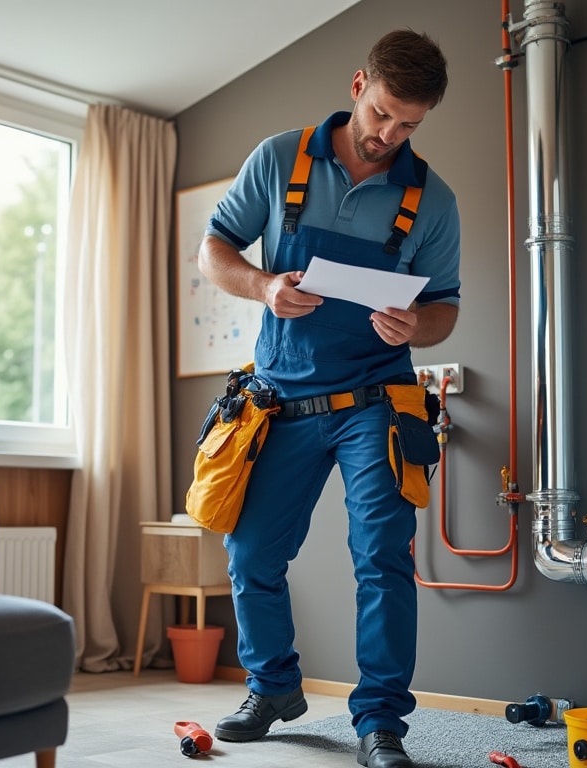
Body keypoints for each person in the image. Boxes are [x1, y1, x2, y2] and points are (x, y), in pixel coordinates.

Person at [196, 28, 460, 768]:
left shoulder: (430, 200)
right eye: (381, 113)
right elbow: (213, 248)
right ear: (357, 86)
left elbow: (446, 310)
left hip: (378, 402)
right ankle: (274, 685)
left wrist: (418, 323)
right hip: (280, 398)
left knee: (381, 557)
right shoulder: (280, 158)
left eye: (408, 124)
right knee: (250, 553)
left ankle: (380, 721)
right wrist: (263, 285)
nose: (389, 134)